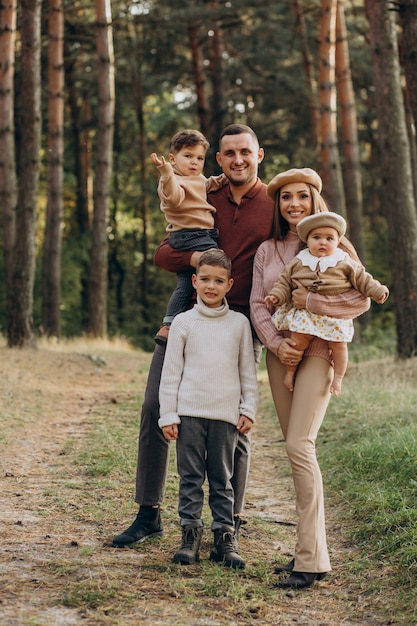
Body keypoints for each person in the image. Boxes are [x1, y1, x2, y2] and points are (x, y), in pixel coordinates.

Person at [111, 124, 274, 549]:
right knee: (154, 407)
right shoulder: (204, 192)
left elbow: (317, 236)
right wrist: (195, 256)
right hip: (188, 317)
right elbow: (164, 253)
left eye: (245, 152)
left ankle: (228, 524)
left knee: (235, 421)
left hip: (241, 322)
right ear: (218, 159)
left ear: (259, 155)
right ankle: (149, 513)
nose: (237, 159)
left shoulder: (275, 201)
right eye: (229, 153)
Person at [250, 167, 370, 589]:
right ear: (278, 204)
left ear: (314, 199)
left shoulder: (336, 245)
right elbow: (257, 305)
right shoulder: (268, 250)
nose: (294, 203)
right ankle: (307, 550)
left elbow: (358, 302)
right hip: (280, 355)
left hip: (319, 350)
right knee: (293, 449)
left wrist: (311, 299)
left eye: (302, 196)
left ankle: (312, 560)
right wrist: (274, 343)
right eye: (285, 197)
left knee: (301, 444)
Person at [159, 249, 258, 569]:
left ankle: (224, 537)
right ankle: (190, 535)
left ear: (230, 284)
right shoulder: (185, 323)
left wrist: (248, 408)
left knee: (222, 478)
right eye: (205, 280)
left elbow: (248, 373)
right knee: (189, 478)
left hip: (225, 418)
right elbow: (171, 372)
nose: (211, 286)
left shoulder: (239, 324)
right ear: (194, 281)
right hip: (189, 415)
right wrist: (168, 414)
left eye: (218, 281)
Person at [265, 211, 389, 395]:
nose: (323, 242)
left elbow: (363, 280)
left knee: (339, 346)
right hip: (306, 317)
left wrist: (378, 291)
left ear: (338, 242)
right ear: (307, 240)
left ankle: (338, 378)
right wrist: (276, 296)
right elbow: (284, 281)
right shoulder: (299, 261)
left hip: (333, 315)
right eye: (317, 237)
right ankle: (290, 373)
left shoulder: (344, 261)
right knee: (296, 343)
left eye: (329, 238)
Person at [150, 129, 227, 346]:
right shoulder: (172, 180)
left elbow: (206, 185)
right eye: (188, 156)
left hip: (198, 234)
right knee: (217, 261)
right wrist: (166, 173)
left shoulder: (197, 178)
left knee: (185, 283)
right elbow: (174, 199)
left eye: (199, 158)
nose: (194, 162)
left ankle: (168, 324)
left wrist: (223, 179)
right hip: (189, 234)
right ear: (173, 158)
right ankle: (214, 312)